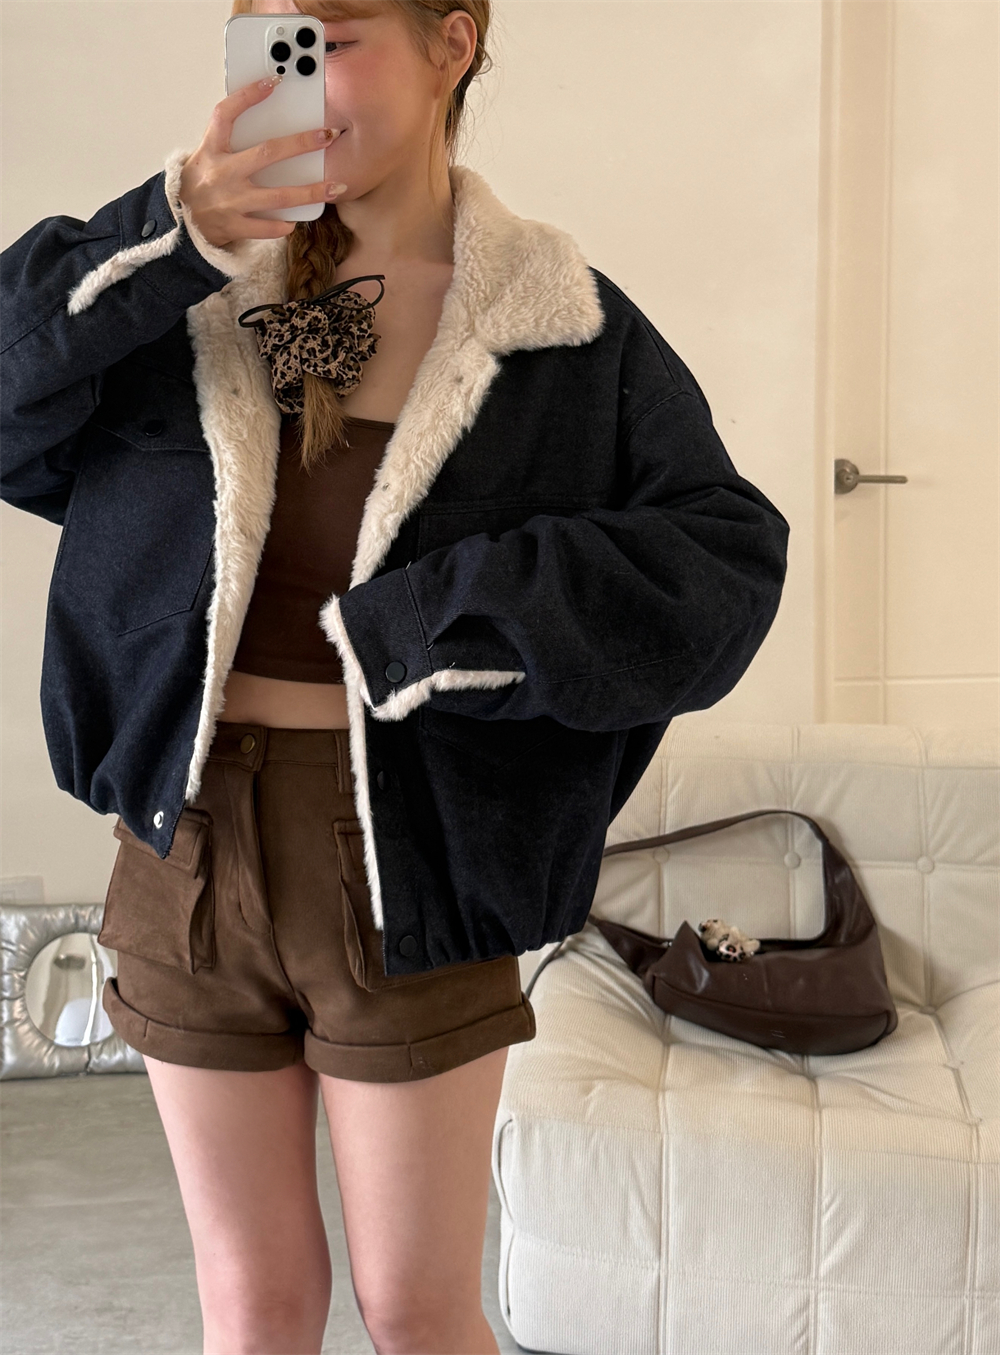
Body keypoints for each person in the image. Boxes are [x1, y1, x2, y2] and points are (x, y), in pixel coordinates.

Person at [0, 1, 790, 1351]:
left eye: (336, 34)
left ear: (452, 44)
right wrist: (171, 231)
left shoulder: (555, 324)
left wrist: (436, 624)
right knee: (251, 1312)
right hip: (187, 849)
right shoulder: (183, 297)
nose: (298, 77)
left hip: (418, 849)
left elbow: (722, 561)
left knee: (419, 1312)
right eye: (269, 41)